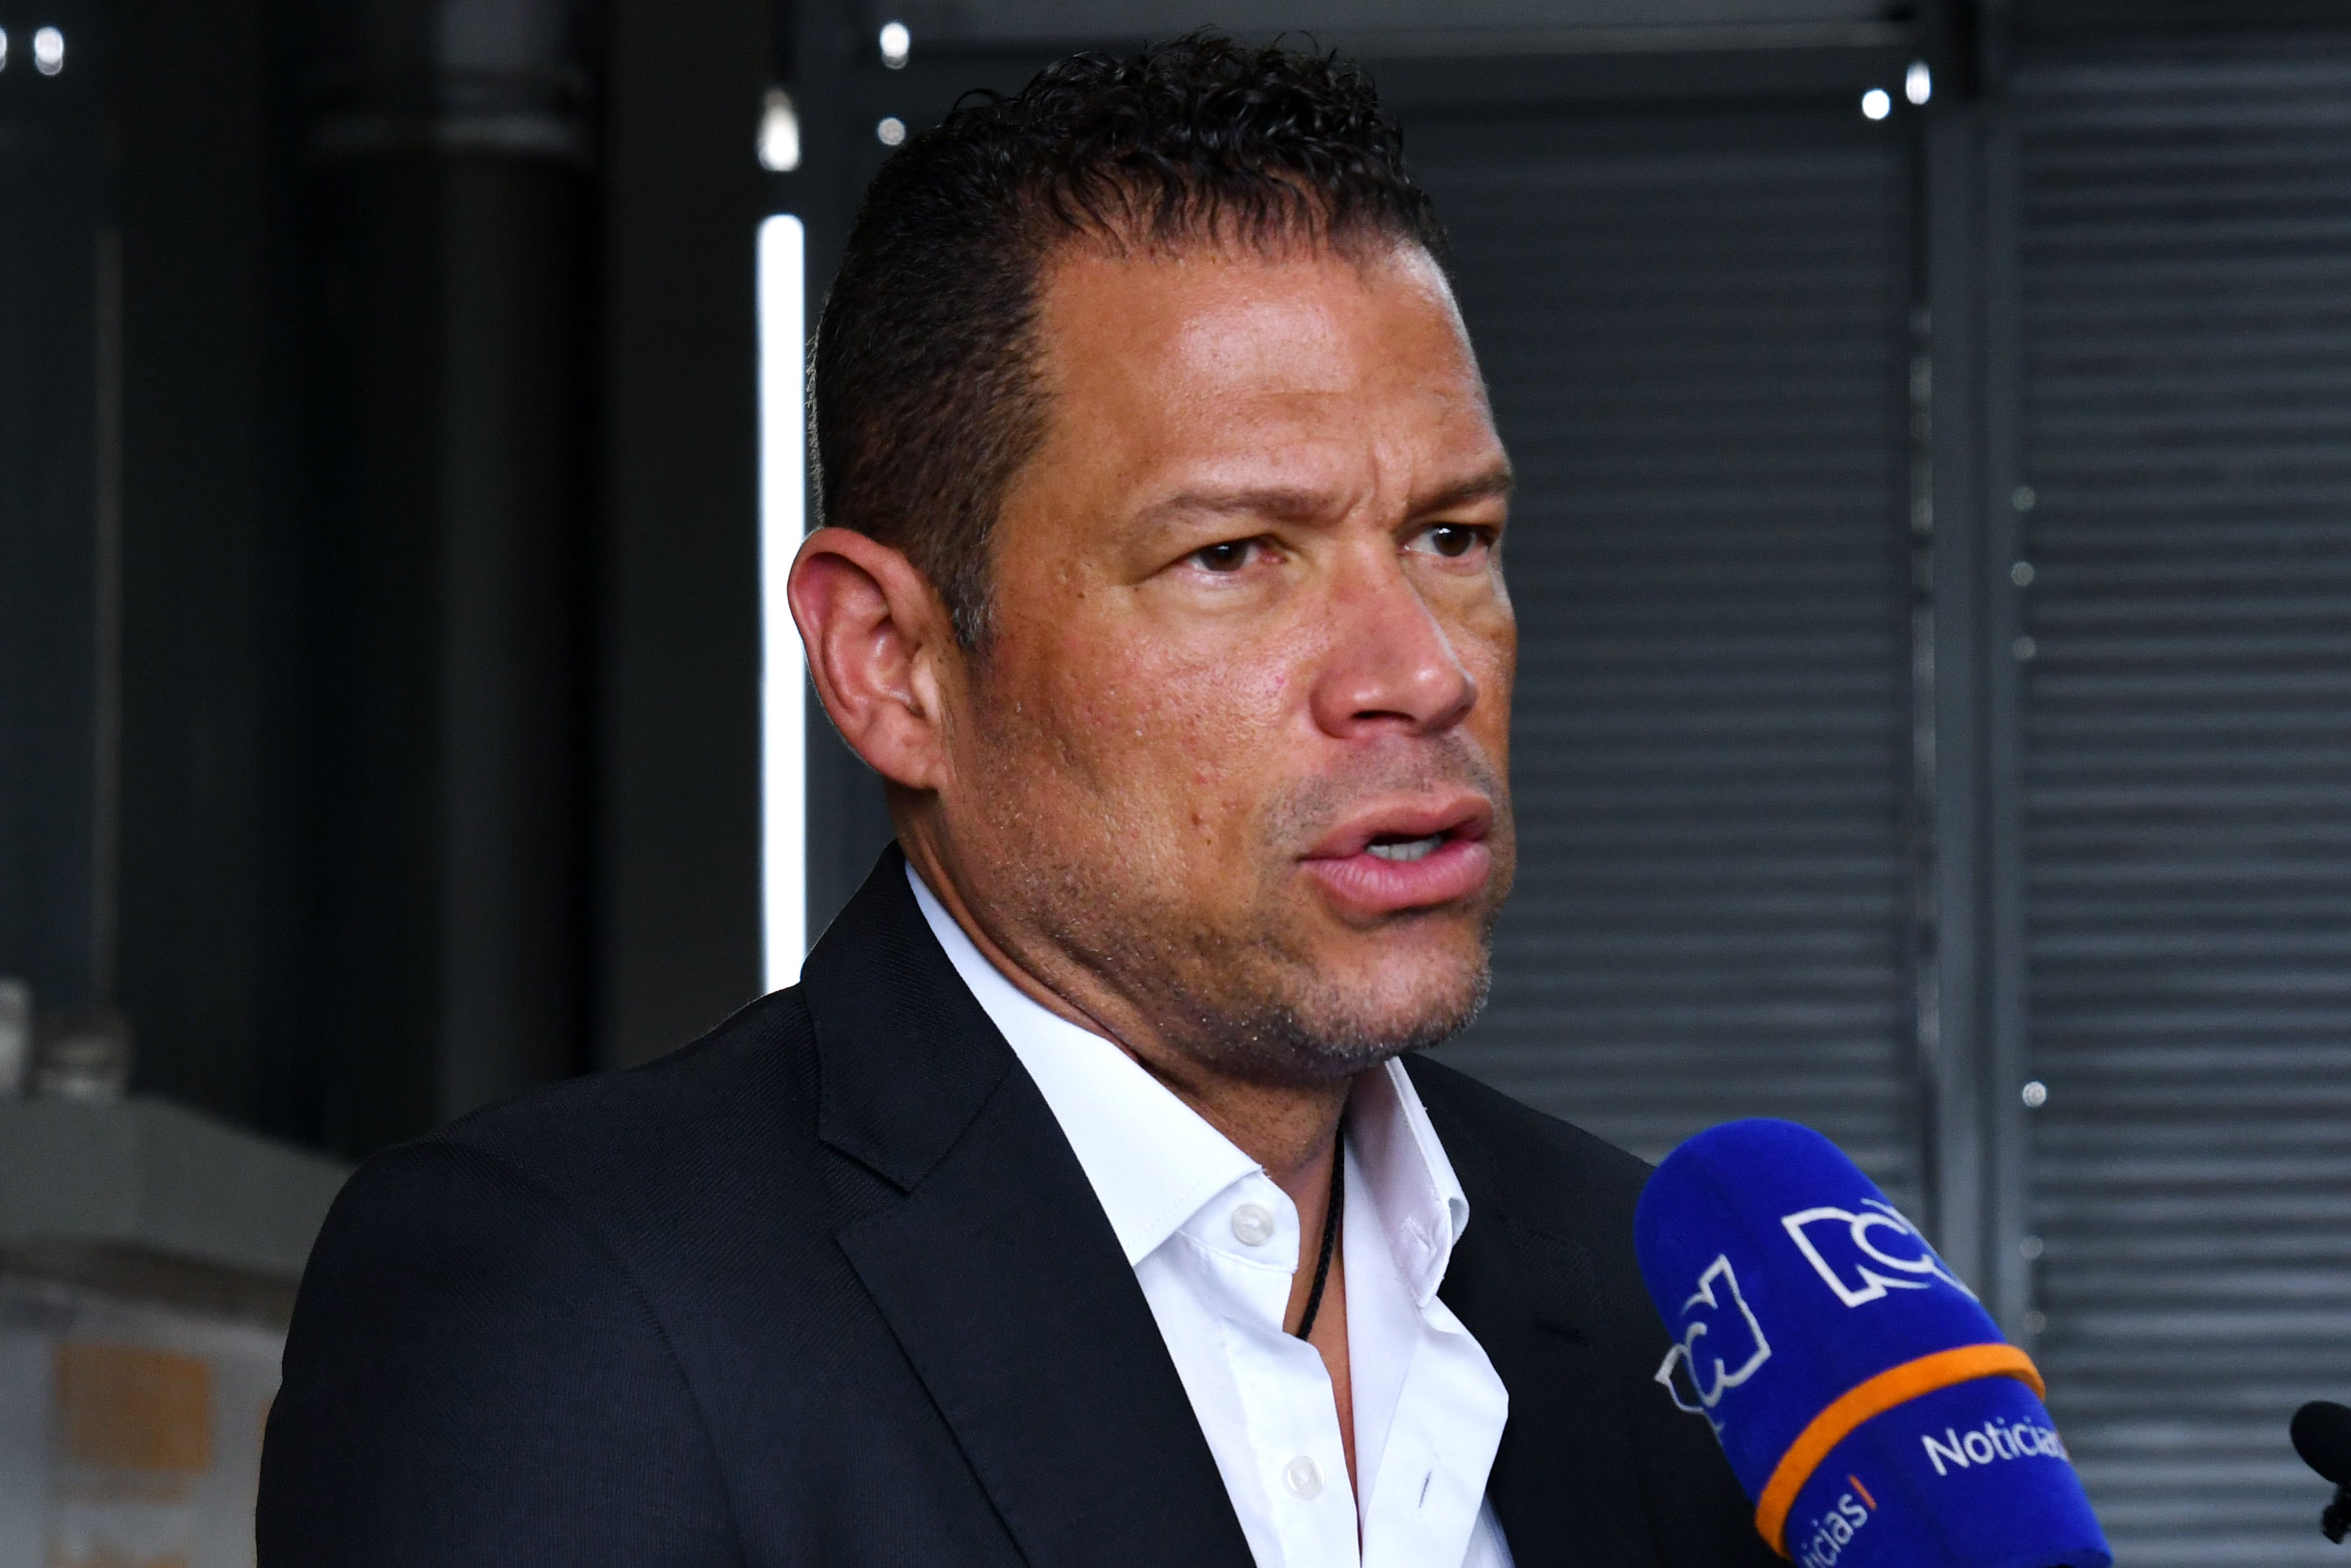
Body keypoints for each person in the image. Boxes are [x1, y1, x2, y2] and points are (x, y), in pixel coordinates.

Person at [258, 36, 1776, 1568]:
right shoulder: (571, 1304)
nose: (1422, 673)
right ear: (892, 664)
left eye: (1451, 534)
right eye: (1235, 554)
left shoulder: (1672, 1302)